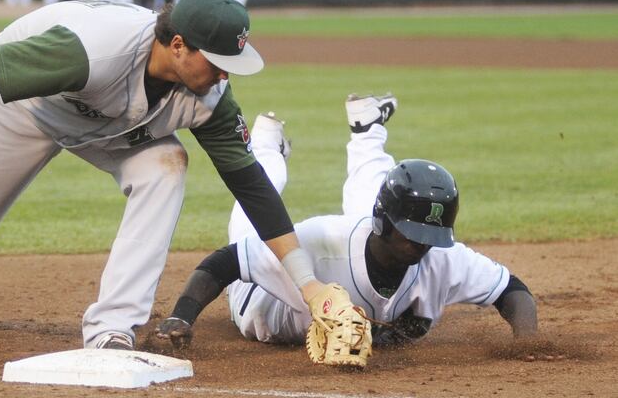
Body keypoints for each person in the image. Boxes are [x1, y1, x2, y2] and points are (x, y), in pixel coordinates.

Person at [0, 0, 339, 351]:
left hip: (111, 122)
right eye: (218, 63)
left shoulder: (210, 97)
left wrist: (309, 284)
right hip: (28, 107)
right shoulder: (94, 51)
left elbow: (251, 186)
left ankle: (113, 326)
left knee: (167, 165)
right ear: (178, 45)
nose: (225, 76)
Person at [155, 93, 538, 353]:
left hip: (364, 230)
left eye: (430, 236)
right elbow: (224, 262)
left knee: (371, 193)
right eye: (412, 235)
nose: (421, 245)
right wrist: (181, 316)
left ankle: (368, 130)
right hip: (260, 302)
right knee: (255, 215)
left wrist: (528, 341)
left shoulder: (443, 257)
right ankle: (268, 145)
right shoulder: (321, 239)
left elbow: (511, 290)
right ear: (383, 224)